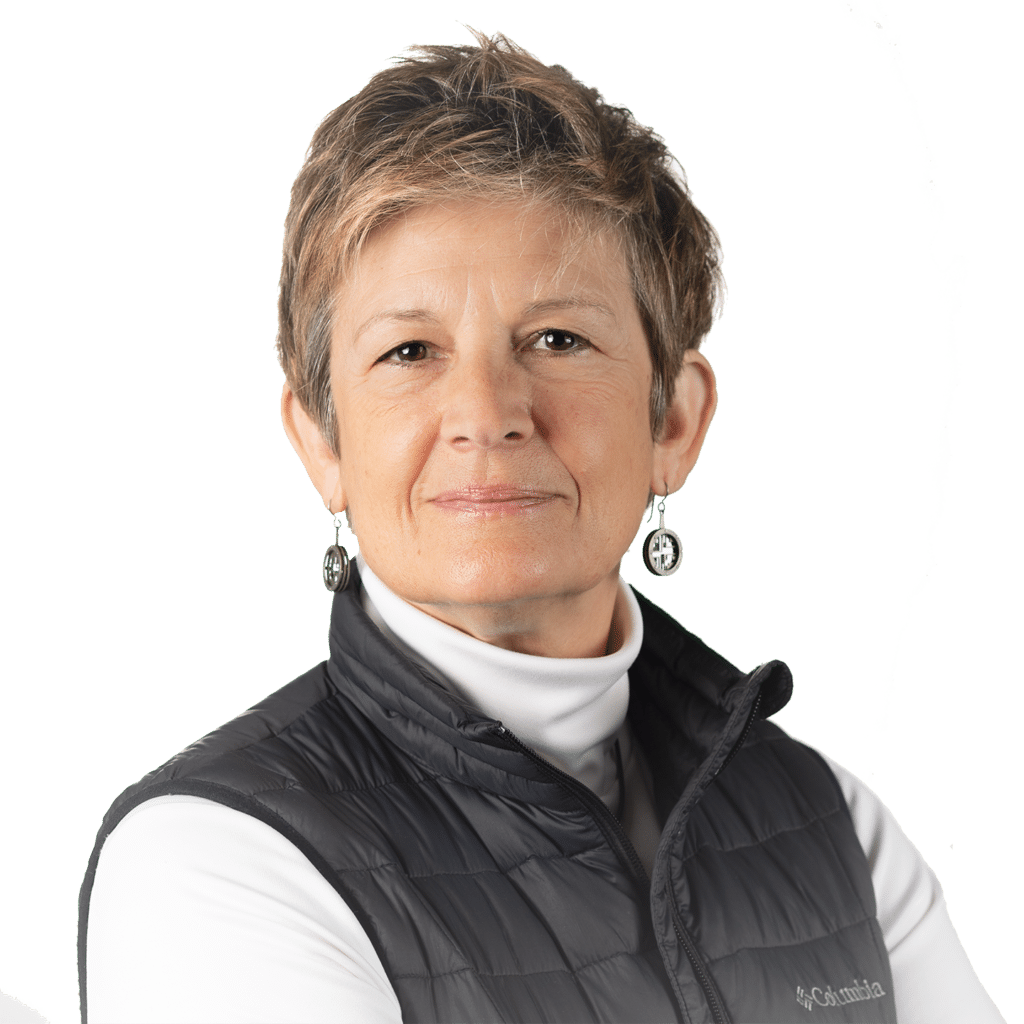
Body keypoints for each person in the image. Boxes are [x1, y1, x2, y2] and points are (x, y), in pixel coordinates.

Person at [76, 29, 1005, 1024]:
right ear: (321, 443)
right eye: (409, 351)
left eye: (558, 338)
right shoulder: (213, 857)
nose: (488, 412)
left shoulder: (832, 822)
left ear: (674, 421)